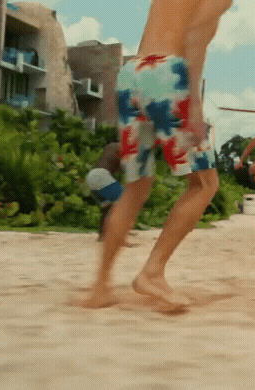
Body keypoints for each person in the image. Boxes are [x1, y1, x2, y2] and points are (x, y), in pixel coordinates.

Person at [81, 0, 232, 309]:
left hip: (133, 73)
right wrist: (194, 107)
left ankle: (100, 286)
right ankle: (152, 272)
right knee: (204, 185)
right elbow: (194, 34)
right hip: (168, 74)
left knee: (136, 187)